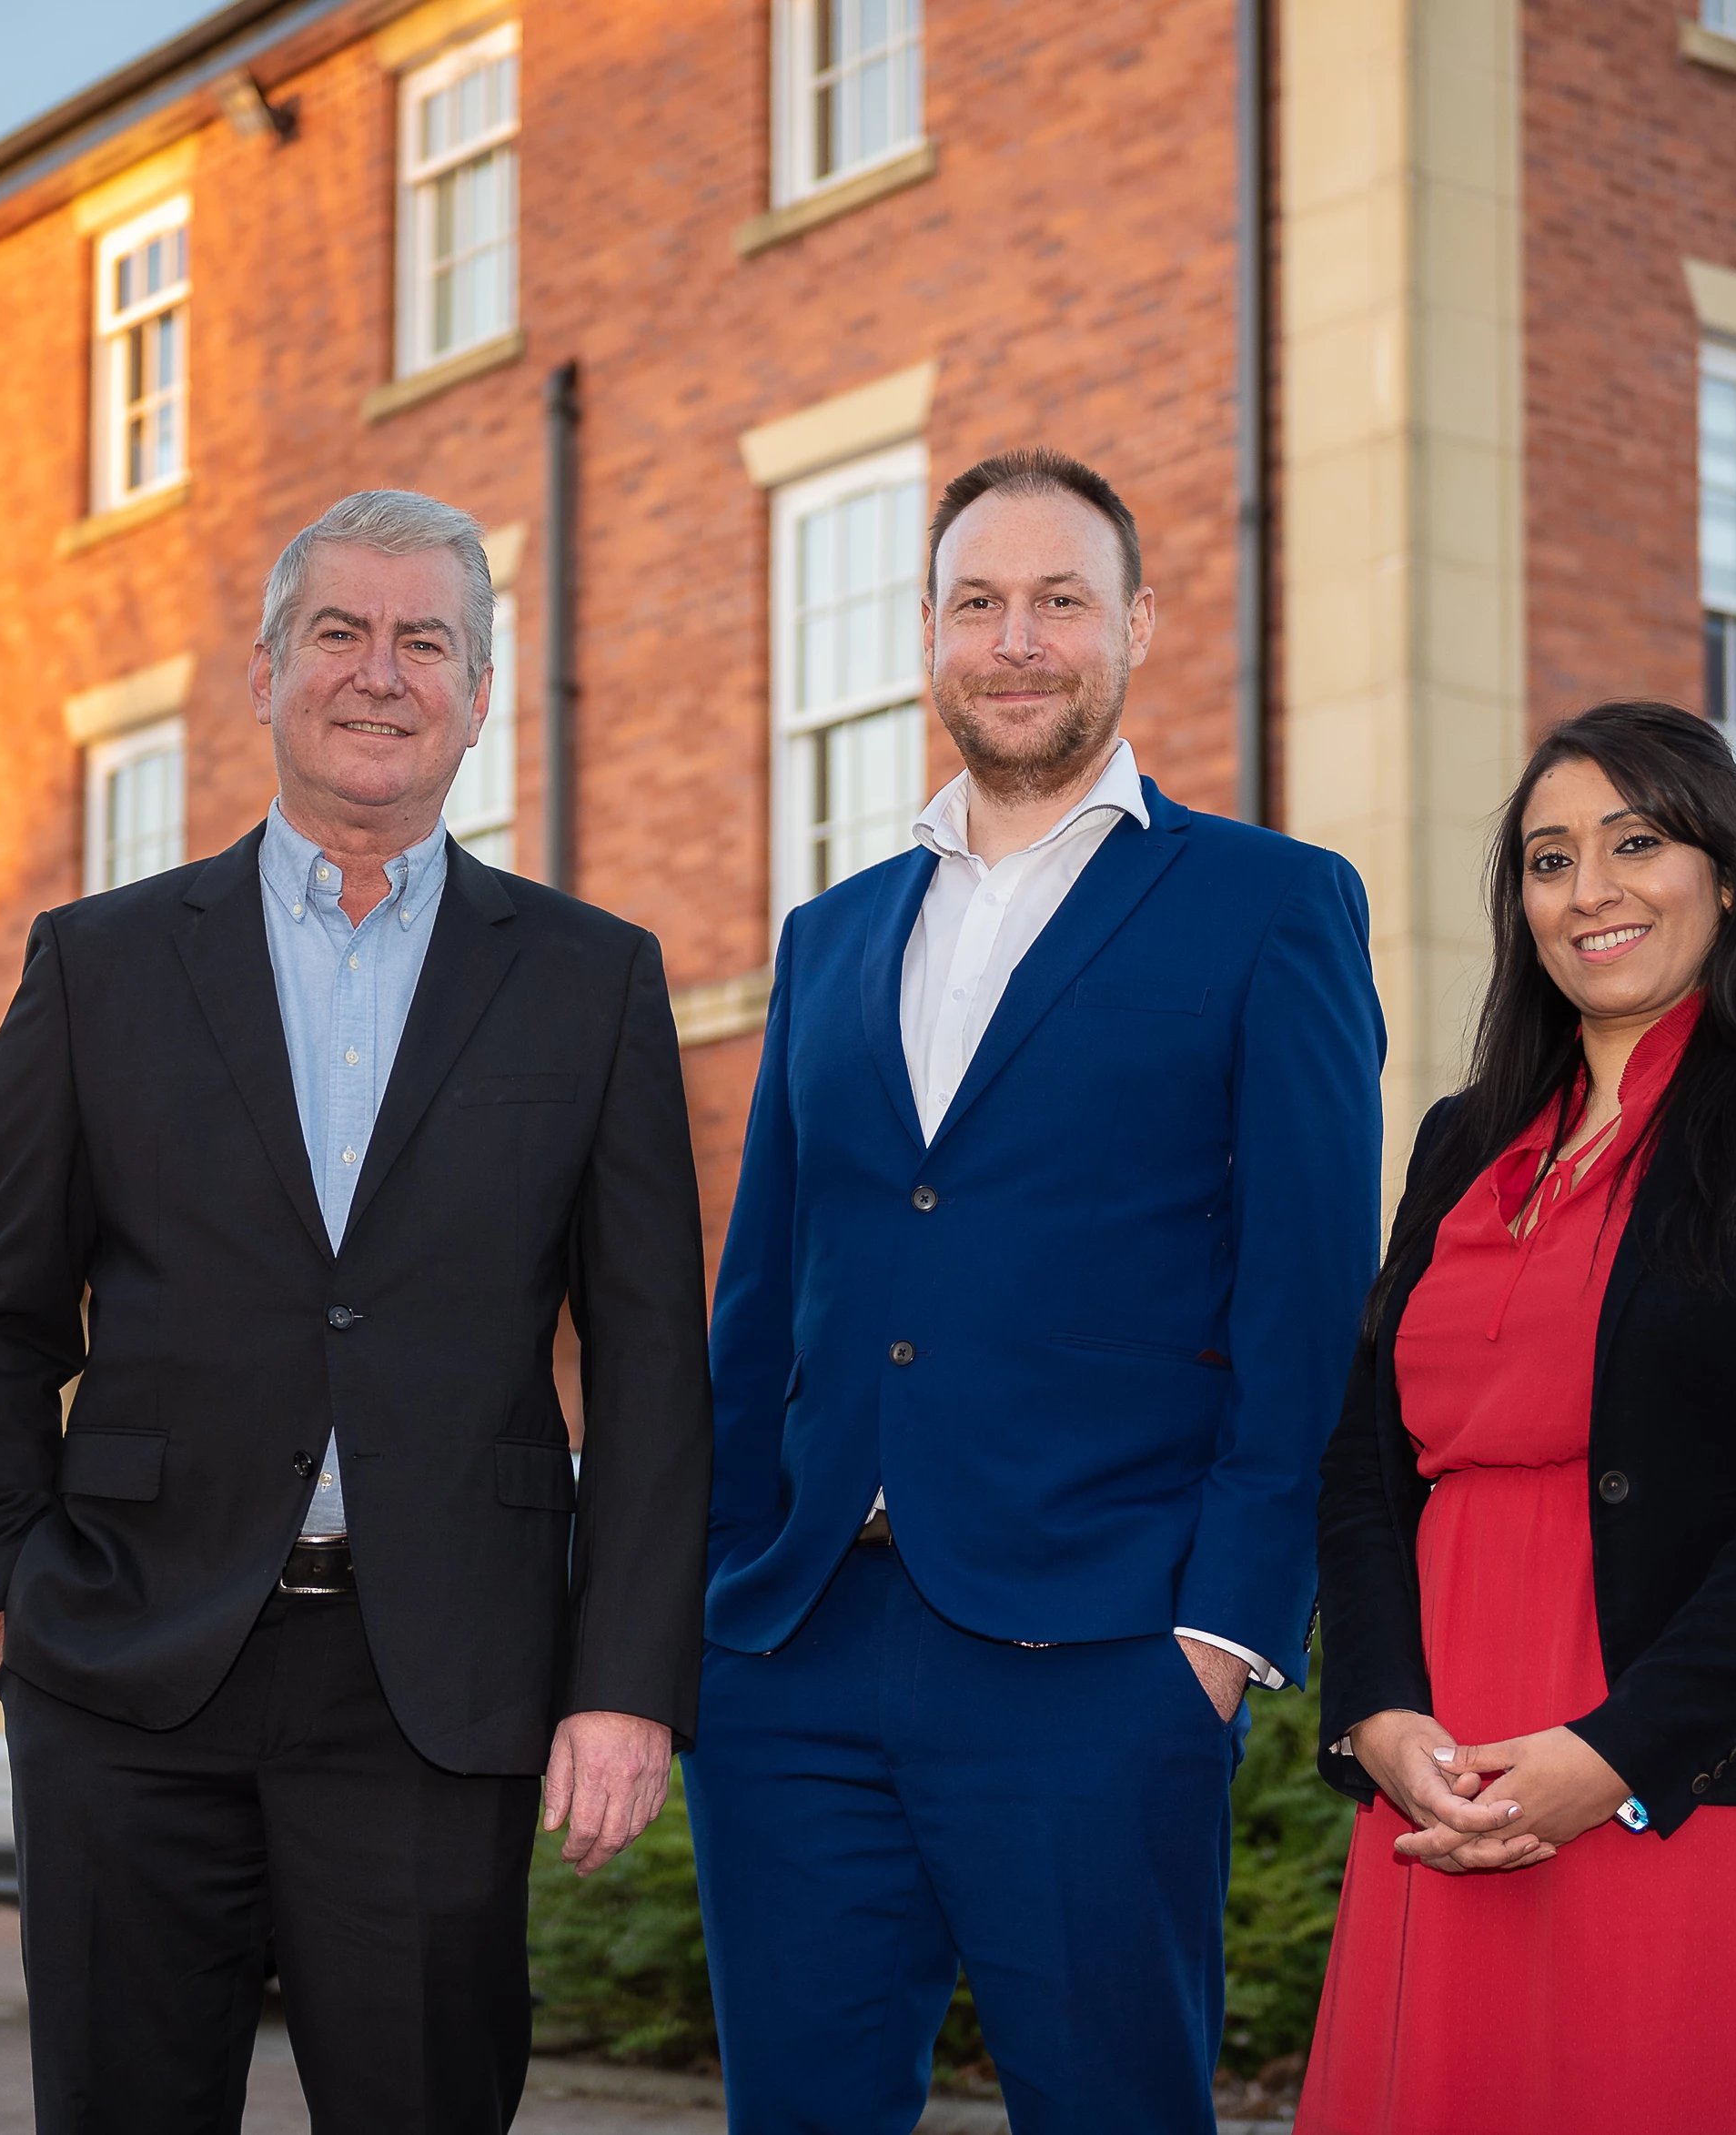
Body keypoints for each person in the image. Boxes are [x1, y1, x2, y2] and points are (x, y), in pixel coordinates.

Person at [0, 489, 713, 2135]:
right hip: (130, 1665)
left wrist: (625, 1678)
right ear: (265, 675)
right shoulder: (100, 966)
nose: (379, 672)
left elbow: (651, 1370)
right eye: (338, 632)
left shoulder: (592, 978)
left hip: (435, 1687)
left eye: (424, 639)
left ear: (478, 694)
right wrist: (6, 1594)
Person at [686, 448, 1387, 2133]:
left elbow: (1309, 1297)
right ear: (926, 632)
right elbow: (765, 1290)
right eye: (978, 602)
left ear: (1135, 623)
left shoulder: (1268, 904)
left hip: (1099, 1651)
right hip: (792, 1653)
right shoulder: (830, 935)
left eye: (1060, 599)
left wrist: (1219, 1631)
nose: (1018, 638)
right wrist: (706, 1591)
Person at [1297, 699, 1736, 2131]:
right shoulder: (1458, 1139)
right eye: (1546, 858)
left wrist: (1619, 1754)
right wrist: (1380, 1713)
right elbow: (1361, 1456)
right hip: (1448, 1763)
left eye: (1633, 841)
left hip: (1706, 1758)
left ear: (1725, 870)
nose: (1587, 888)